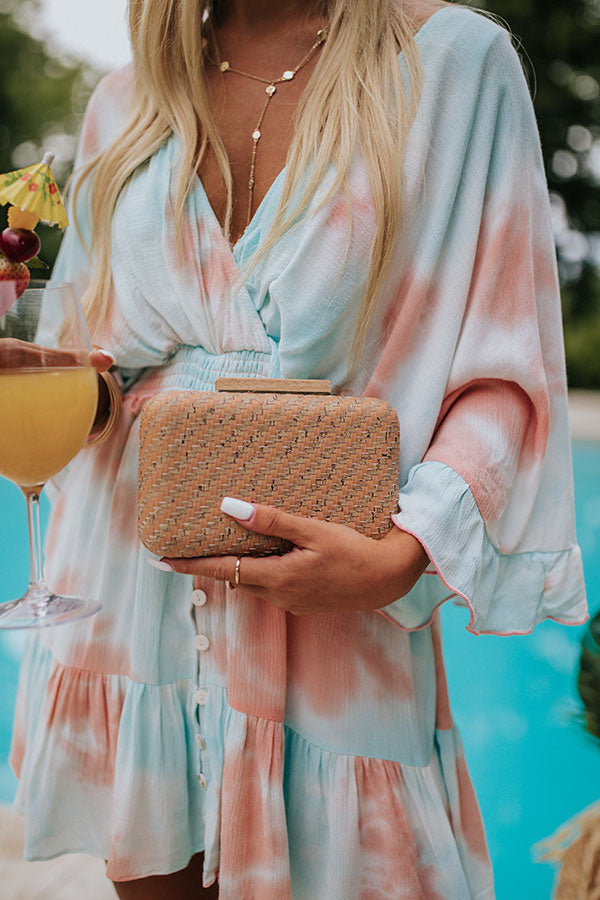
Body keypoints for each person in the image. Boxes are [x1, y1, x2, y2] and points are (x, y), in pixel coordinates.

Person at [9, 0, 588, 897]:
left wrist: (403, 554)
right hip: (131, 603)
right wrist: (40, 380)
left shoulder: (450, 64)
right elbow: (99, 368)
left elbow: (506, 373)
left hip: (336, 606)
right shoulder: (127, 99)